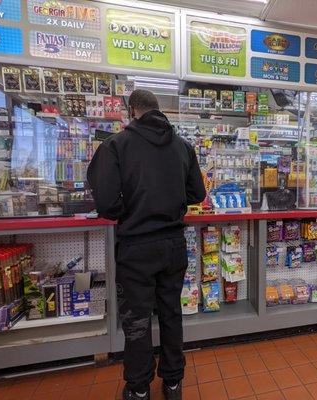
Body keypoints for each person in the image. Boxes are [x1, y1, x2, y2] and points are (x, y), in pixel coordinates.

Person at [87, 89, 206, 400]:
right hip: (173, 244)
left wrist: (132, 208)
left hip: (136, 246)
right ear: (159, 110)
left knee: (137, 320)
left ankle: (139, 388)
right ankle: (173, 383)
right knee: (171, 314)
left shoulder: (115, 145)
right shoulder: (183, 146)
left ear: (131, 110)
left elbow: (106, 204)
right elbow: (197, 194)